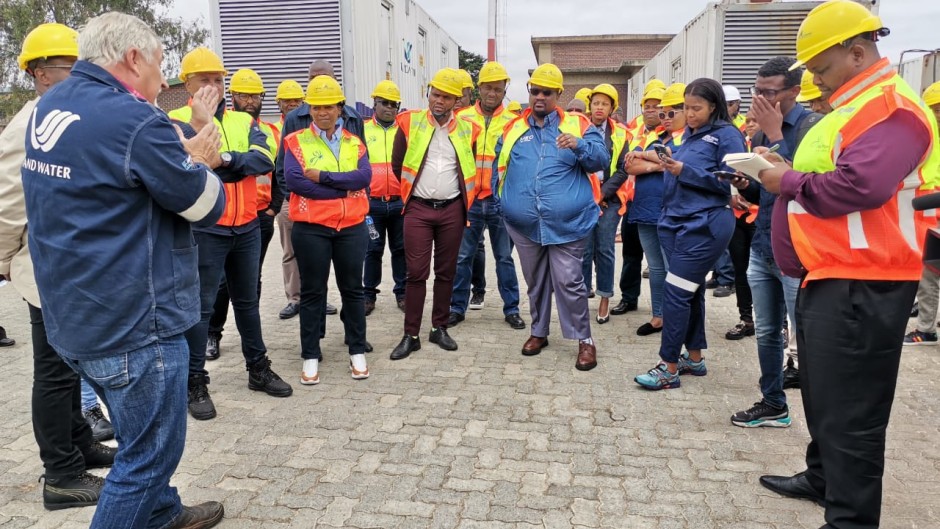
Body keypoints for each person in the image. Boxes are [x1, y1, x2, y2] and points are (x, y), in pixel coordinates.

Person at [22, 12, 228, 527]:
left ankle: (161, 513)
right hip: (133, 324)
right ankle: (143, 507)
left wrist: (174, 156)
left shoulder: (54, 105)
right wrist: (200, 161)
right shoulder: (135, 119)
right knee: (148, 456)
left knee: (138, 437)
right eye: (160, 65)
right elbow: (206, 207)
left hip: (73, 316)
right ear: (132, 58)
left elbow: (111, 175)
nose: (165, 81)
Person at [756, 3, 939, 527]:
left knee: (852, 416)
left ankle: (850, 519)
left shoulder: (892, 109)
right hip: (834, 274)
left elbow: (862, 186)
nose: (815, 81)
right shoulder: (855, 108)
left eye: (821, 69)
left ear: (857, 52)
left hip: (867, 281)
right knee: (823, 394)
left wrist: (785, 182)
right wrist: (785, 167)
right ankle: (822, 476)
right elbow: (834, 172)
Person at [0, 21, 116, 511]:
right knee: (52, 373)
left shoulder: (69, 115)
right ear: (42, 72)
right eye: (73, 68)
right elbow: (7, 203)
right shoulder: (29, 123)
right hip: (45, 272)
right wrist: (5, 258)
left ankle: (80, 444)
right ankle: (61, 476)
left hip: (72, 271)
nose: (82, 77)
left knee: (69, 370)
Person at [170, 47, 292, 421]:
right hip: (206, 229)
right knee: (202, 307)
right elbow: (185, 167)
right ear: (186, 83)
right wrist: (217, 151)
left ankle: (257, 368)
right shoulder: (174, 120)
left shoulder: (244, 120)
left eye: (217, 80)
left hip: (247, 225)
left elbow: (262, 160)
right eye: (203, 79)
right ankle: (195, 382)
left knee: (248, 302)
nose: (212, 86)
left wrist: (222, 161)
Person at [493, 63, 609, 370]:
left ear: (558, 93)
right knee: (536, 282)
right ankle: (539, 332)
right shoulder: (513, 127)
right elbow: (498, 166)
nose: (539, 97)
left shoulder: (578, 124)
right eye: (535, 91)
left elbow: (601, 159)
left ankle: (585, 340)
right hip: (524, 225)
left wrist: (579, 144)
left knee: (570, 281)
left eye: (547, 92)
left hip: (569, 225)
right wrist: (503, 202)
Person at [634, 78, 746, 390]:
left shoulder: (727, 136)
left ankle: (668, 366)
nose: (690, 113)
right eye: (686, 107)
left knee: (675, 294)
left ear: (714, 106)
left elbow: (731, 183)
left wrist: (684, 170)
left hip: (704, 226)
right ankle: (694, 358)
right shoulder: (692, 135)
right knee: (690, 291)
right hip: (676, 223)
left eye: (696, 108)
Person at [729, 56, 818, 428]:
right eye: (757, 91)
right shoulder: (763, 132)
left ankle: (822, 424)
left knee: (810, 339)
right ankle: (773, 402)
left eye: (769, 93)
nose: (761, 100)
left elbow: (809, 182)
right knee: (767, 332)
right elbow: (769, 185)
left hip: (798, 253)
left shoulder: (813, 126)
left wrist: (778, 136)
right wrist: (744, 183)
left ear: (794, 92)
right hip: (763, 246)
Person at [284, 76, 372, 385]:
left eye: (330, 106)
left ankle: (357, 351)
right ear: (310, 109)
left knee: (352, 290)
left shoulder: (355, 142)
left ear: (340, 108)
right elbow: (295, 182)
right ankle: (310, 355)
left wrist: (323, 177)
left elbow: (362, 178)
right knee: (312, 292)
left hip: (351, 228)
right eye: (318, 106)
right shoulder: (295, 141)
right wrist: (341, 190)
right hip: (311, 229)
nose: (324, 112)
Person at [389, 68, 481, 360]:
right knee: (416, 273)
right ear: (427, 93)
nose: (438, 101)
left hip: (453, 208)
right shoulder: (408, 122)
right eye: (434, 95)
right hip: (418, 208)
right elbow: (397, 164)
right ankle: (411, 334)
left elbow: (469, 167)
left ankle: (438, 328)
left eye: (445, 97)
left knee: (446, 272)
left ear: (456, 100)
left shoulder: (469, 129)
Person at [275, 60, 362, 320]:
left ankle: (351, 325)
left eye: (324, 77)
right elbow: (284, 165)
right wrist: (294, 198)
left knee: (348, 270)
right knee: (295, 254)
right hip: (303, 204)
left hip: (346, 211)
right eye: (312, 77)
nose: (318, 82)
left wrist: (343, 192)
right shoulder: (295, 118)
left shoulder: (353, 118)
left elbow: (360, 166)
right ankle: (297, 299)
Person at [205, 68, 280, 362]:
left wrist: (273, 207)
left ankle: (253, 350)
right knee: (221, 283)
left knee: (251, 282)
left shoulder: (269, 131)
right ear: (233, 96)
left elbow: (271, 166)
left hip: (257, 217)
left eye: (255, 95)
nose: (250, 100)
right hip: (217, 220)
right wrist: (241, 163)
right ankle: (214, 332)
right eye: (244, 95)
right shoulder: (214, 124)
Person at [448, 61, 525, 331]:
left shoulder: (514, 122)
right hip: (468, 200)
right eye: (488, 88)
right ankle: (457, 308)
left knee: (504, 257)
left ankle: (512, 309)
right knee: (462, 257)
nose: (493, 93)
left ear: (505, 91)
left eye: (498, 89)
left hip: (498, 202)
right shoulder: (463, 118)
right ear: (479, 88)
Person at [622, 85, 671, 335]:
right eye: (648, 107)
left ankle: (675, 317)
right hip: (642, 207)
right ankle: (658, 316)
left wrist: (646, 160)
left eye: (659, 107)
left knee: (671, 267)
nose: (654, 111)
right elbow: (629, 166)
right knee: (655, 267)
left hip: (668, 209)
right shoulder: (642, 133)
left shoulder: (678, 135)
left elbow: (673, 158)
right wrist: (656, 164)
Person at [581, 83, 630, 324]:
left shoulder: (620, 134)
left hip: (609, 200)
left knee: (605, 248)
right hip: (582, 199)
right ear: (590, 106)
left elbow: (622, 170)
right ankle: (579, 296)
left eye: (605, 104)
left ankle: (604, 297)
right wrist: (590, 196)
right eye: (596, 103)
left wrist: (601, 195)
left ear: (612, 108)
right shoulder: (580, 128)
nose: (599, 107)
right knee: (583, 249)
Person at [363, 80, 407, 315]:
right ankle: (368, 295)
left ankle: (403, 293)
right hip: (372, 206)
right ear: (375, 103)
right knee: (372, 249)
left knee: (401, 249)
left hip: (399, 203)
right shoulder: (363, 131)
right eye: (384, 103)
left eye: (394, 104)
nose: (389, 108)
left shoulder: (404, 130)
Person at [902, 80, 940, 347]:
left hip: (931, 209)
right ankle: (926, 326)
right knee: (928, 271)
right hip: (926, 211)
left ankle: (926, 328)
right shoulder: (925, 135)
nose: (937, 114)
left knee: (930, 272)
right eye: (934, 109)